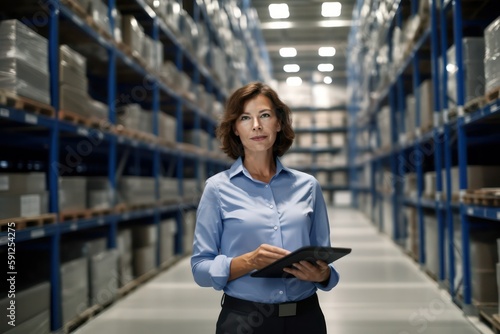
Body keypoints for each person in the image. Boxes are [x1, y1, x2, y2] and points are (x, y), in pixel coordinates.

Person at [191, 82, 339, 334]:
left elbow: (323, 260)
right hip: (244, 322)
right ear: (235, 129)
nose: (257, 125)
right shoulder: (217, 189)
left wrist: (323, 276)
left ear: (279, 124)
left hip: (306, 319)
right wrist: (249, 261)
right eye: (245, 118)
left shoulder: (308, 187)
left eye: (265, 115)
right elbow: (200, 269)